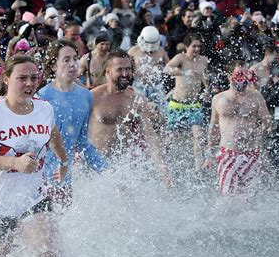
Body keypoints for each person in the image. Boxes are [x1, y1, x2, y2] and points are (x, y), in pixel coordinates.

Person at [0, 56, 68, 257]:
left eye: (34, 78)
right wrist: (15, 163)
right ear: (7, 79)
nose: (29, 83)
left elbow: (53, 134)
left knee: (49, 256)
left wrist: (63, 161)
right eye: (22, 78)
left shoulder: (44, 108)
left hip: (32, 197)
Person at [88, 49, 171, 186]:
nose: (125, 74)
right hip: (97, 166)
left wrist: (162, 166)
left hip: (125, 168)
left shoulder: (137, 99)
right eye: (120, 69)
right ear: (108, 72)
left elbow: (149, 135)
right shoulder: (93, 97)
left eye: (128, 69)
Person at [39, 39, 106, 206]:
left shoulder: (85, 96)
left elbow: (82, 142)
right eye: (66, 60)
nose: (72, 64)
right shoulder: (42, 97)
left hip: (64, 178)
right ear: (54, 66)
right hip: (40, 176)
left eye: (75, 59)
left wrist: (106, 171)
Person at [205, 66, 272, 195]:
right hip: (227, 155)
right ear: (229, 76)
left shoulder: (256, 96)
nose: (242, 80)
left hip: (252, 154)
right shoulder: (218, 99)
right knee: (228, 198)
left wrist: (262, 132)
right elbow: (213, 128)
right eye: (238, 75)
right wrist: (208, 155)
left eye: (245, 76)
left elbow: (268, 123)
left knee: (250, 199)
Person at [163, 34, 209, 172]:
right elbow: (166, 69)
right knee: (172, 138)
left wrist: (207, 90)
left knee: (198, 136)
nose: (196, 49)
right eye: (194, 46)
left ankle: (198, 169)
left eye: (199, 46)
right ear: (187, 47)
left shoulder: (204, 60)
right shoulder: (180, 58)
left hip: (194, 104)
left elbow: (203, 77)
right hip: (177, 104)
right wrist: (184, 72)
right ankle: (163, 164)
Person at [128, 26, 169, 109]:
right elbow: (124, 65)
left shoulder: (161, 51)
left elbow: (169, 66)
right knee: (138, 110)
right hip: (139, 85)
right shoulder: (134, 51)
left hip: (157, 86)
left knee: (161, 111)